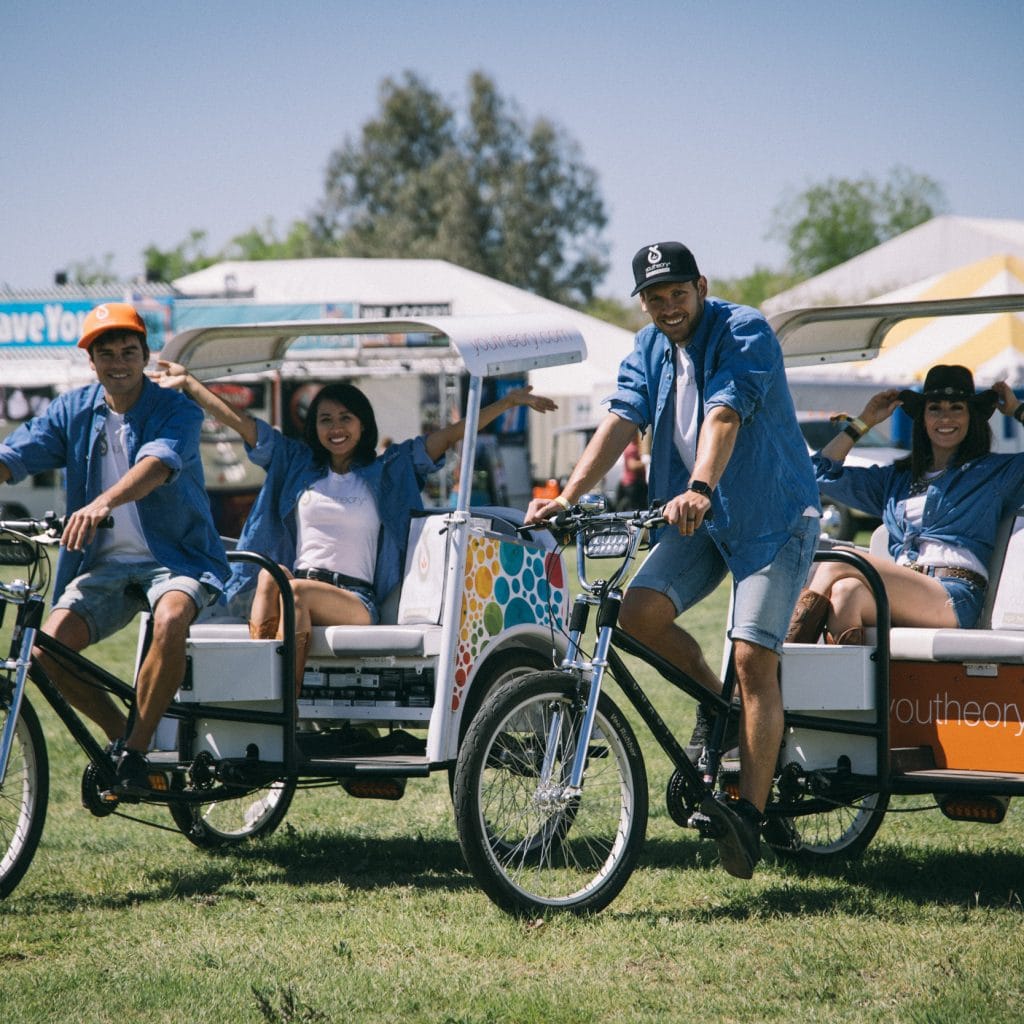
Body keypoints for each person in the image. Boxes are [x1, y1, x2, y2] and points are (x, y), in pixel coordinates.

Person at [525, 241, 821, 879]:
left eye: (678, 295)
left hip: (771, 516)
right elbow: (620, 418)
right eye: (655, 298)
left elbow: (724, 414)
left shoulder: (743, 330)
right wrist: (566, 496)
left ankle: (748, 811)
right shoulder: (648, 347)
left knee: (751, 657)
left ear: (701, 287)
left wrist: (701, 486)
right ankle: (721, 711)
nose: (668, 308)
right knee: (637, 612)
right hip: (698, 516)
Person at [157, 361, 556, 688]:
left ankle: (281, 709)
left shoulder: (390, 469)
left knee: (290, 590)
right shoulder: (297, 464)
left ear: (363, 424)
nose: (335, 428)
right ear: (313, 427)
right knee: (269, 575)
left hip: (354, 600)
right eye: (325, 419)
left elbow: (449, 436)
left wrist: (506, 404)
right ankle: (262, 691)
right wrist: (191, 384)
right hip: (293, 588)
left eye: (345, 418)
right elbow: (244, 425)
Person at [0, 303, 230, 795]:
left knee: (170, 619)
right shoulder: (73, 410)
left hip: (176, 560)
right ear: (92, 361)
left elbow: (157, 465)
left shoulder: (176, 408)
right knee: (44, 652)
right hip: (103, 565)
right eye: (107, 353)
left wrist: (101, 503)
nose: (119, 361)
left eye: (129, 351)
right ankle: (123, 737)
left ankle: (139, 749)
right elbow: (15, 455)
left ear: (145, 355)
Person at [786, 365, 1024, 645]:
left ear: (971, 416)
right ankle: (848, 688)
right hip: (902, 586)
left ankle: (780, 664)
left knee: (838, 561)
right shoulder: (895, 479)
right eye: (935, 408)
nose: (945, 417)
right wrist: (864, 421)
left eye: (956, 408)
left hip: (955, 594)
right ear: (922, 418)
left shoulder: (995, 473)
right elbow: (817, 475)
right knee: (846, 593)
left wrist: (1017, 410)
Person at [615, 429, 648, 511]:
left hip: (631, 483)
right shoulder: (632, 448)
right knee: (635, 508)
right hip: (633, 484)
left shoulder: (630, 447)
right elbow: (632, 465)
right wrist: (645, 463)